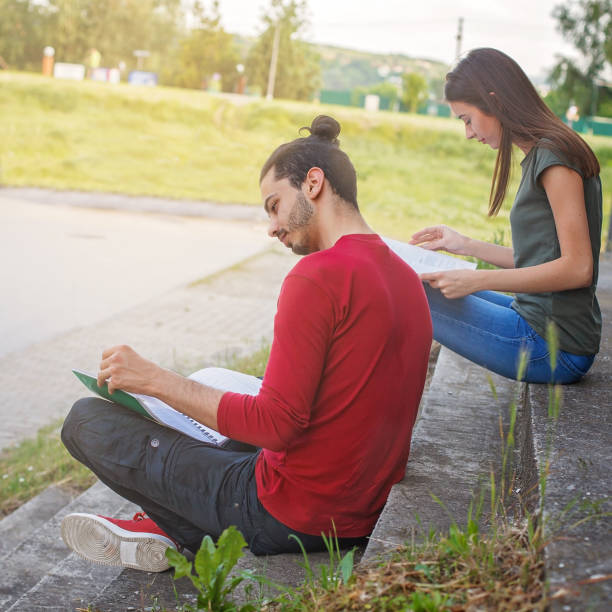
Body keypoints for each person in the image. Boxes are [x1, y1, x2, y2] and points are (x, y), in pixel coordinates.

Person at [60, 115, 432, 572]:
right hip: (360, 509)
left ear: (313, 183)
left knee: (86, 421)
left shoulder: (316, 277)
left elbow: (276, 425)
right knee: (220, 415)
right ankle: (170, 530)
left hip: (288, 515)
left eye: (275, 205)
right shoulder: (404, 277)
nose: (272, 226)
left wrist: (156, 380)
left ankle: (179, 532)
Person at [411, 48, 602, 385]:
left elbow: (578, 268)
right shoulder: (544, 152)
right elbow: (539, 260)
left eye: (467, 119)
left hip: (554, 346)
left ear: (495, 102)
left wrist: (478, 279)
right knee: (427, 281)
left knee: (408, 291)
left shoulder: (553, 157)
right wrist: (464, 245)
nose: (468, 133)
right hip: (540, 324)